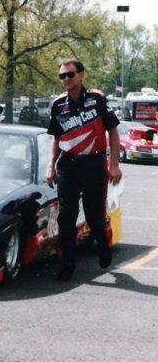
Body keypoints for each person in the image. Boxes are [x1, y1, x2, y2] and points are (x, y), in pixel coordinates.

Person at [46, 58, 122, 281]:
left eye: (70, 74)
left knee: (93, 216)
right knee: (66, 216)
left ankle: (104, 246)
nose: (66, 79)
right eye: (62, 76)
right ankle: (67, 264)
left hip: (94, 163)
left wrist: (114, 165)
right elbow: (56, 137)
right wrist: (51, 165)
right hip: (68, 164)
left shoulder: (97, 99)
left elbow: (113, 132)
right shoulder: (58, 104)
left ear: (81, 75)